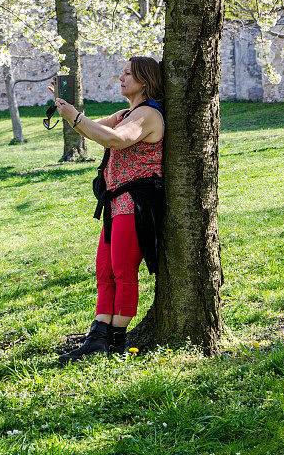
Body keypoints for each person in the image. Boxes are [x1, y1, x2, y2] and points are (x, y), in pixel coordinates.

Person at [52, 56, 165, 365]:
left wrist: (76, 117)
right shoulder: (126, 113)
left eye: (128, 74)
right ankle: (97, 337)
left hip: (137, 203)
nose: (121, 78)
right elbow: (91, 131)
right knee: (105, 271)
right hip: (116, 205)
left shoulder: (148, 115)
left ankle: (114, 342)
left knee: (123, 272)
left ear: (144, 81)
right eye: (122, 73)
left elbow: (115, 140)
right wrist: (65, 110)